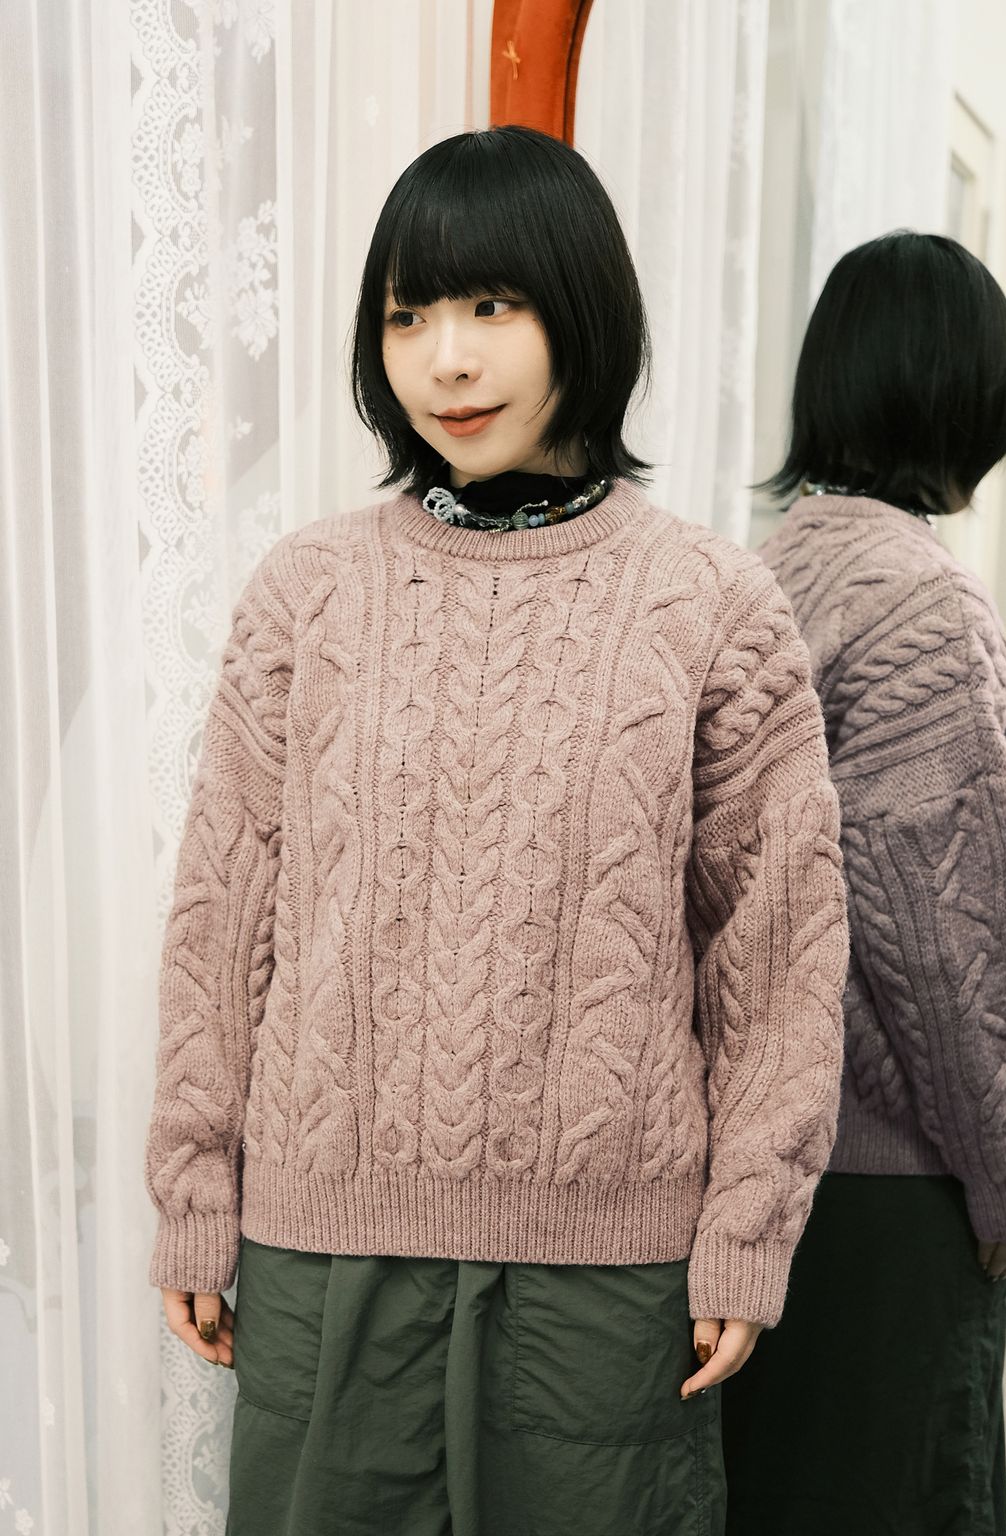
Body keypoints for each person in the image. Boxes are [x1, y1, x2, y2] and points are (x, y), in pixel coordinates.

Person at [143, 125, 849, 1536]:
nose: (446, 362)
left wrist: (747, 1230)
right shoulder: (306, 594)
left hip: (607, 1279)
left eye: (491, 306)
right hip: (326, 1253)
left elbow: (779, 952)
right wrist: (192, 1187)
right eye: (407, 317)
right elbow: (225, 915)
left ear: (583, 310)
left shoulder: (709, 605)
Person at [722, 230, 1006, 1536]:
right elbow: (949, 950)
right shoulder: (923, 607)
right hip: (886, 1200)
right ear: (970, 396)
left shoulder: (758, 575)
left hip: (752, 1187)